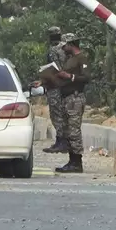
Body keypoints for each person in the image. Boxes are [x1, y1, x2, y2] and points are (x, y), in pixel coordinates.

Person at [55, 33, 90, 173]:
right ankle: (72, 161)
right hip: (66, 98)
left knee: (74, 131)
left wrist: (70, 76)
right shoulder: (70, 59)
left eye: (65, 46)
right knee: (68, 131)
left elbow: (87, 77)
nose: (63, 48)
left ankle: (77, 162)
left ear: (71, 44)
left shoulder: (82, 58)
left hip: (75, 99)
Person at [42, 26, 68, 154]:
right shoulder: (66, 47)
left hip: (56, 87)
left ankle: (61, 142)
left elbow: (56, 69)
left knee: (56, 114)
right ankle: (63, 142)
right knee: (64, 114)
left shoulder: (53, 50)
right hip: (68, 86)